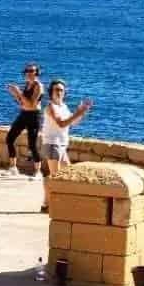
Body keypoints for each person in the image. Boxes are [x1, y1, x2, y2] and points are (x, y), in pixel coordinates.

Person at [40, 80, 93, 211]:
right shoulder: (50, 107)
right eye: (56, 90)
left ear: (65, 92)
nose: (59, 92)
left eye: (61, 90)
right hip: (52, 144)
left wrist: (82, 112)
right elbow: (62, 124)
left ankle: (46, 204)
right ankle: (52, 205)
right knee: (56, 177)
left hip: (62, 145)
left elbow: (72, 123)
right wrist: (78, 113)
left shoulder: (63, 106)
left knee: (66, 173)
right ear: (51, 92)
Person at [4, 62, 44, 172]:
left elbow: (32, 104)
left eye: (31, 71)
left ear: (37, 73)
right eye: (27, 71)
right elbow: (22, 103)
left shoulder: (38, 86)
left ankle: (37, 171)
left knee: (32, 145)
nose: (29, 73)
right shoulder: (27, 84)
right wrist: (14, 94)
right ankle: (13, 167)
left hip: (34, 116)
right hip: (24, 114)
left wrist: (19, 92)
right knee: (9, 139)